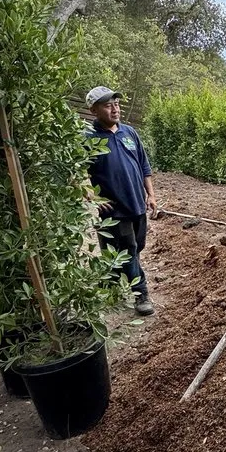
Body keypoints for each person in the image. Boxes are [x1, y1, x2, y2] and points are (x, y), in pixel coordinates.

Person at [86, 86, 158, 316]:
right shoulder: (88, 138)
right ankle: (141, 293)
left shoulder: (129, 132)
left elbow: (144, 166)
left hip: (136, 203)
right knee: (129, 248)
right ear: (94, 110)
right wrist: (92, 196)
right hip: (114, 209)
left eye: (116, 104)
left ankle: (112, 280)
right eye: (108, 105)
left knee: (136, 247)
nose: (115, 109)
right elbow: (76, 173)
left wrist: (151, 195)